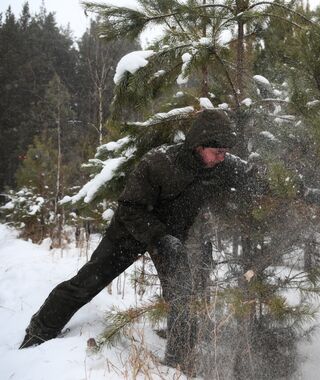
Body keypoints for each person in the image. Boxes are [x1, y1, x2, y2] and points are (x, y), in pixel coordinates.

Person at [19, 109, 257, 367]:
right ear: (199, 146)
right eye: (217, 152)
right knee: (86, 283)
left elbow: (257, 177)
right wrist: (159, 236)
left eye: (224, 152)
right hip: (130, 232)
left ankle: (178, 365)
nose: (222, 158)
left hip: (171, 240)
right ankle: (38, 333)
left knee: (183, 299)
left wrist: (301, 191)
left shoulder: (220, 165)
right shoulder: (159, 163)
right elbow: (130, 208)